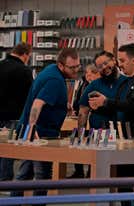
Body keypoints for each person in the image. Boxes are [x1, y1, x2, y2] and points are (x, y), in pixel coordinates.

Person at [89, 43, 134, 206]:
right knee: (123, 182)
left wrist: (106, 101)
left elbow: (133, 105)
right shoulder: (126, 82)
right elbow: (120, 106)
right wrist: (101, 105)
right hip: (126, 139)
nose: (119, 64)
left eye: (123, 60)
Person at [11, 48, 80, 199]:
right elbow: (37, 103)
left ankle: (13, 202)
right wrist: (32, 128)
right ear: (61, 66)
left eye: (77, 66)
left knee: (25, 174)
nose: (76, 70)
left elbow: (43, 98)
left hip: (34, 131)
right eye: (72, 67)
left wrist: (62, 105)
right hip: (41, 135)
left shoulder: (51, 70)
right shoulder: (55, 80)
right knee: (42, 176)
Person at [0, 42, 33, 181]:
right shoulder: (24, 71)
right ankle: (6, 181)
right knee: (9, 150)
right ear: (25, 54)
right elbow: (30, 94)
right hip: (14, 115)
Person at [68, 61, 100, 178]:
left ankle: (91, 172)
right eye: (87, 73)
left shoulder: (98, 86)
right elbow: (78, 102)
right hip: (82, 121)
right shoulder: (84, 85)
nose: (88, 76)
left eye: (91, 73)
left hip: (95, 124)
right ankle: (79, 170)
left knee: (94, 148)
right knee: (77, 142)